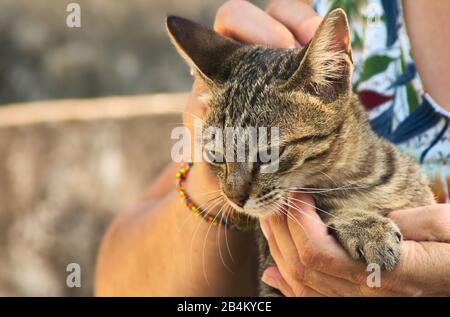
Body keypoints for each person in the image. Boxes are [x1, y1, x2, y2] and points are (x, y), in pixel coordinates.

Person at [95, 0, 450, 296]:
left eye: (266, 155)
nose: (234, 192)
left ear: (330, 83)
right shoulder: (331, 10)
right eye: (219, 155)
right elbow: (113, 285)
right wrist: (205, 192)